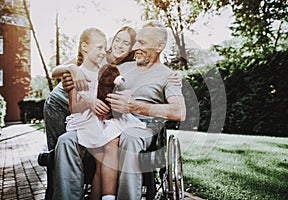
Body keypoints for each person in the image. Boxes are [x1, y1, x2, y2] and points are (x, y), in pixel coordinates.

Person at [42, 26, 137, 200]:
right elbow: (57, 71)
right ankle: (54, 195)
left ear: (131, 48)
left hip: (93, 114)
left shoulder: (127, 66)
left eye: (126, 43)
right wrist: (72, 68)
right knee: (57, 157)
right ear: (112, 40)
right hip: (59, 104)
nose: (120, 45)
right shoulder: (96, 53)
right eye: (118, 40)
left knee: (102, 152)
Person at [105, 20, 186, 200]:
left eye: (142, 43)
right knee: (67, 140)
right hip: (111, 122)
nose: (135, 47)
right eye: (136, 42)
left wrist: (136, 107)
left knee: (129, 137)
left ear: (159, 46)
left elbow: (179, 111)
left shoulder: (168, 76)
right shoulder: (122, 68)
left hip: (143, 127)